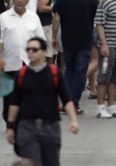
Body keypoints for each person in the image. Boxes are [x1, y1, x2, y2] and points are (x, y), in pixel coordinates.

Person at [6, 36, 79, 166]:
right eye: (28, 49)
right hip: (27, 127)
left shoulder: (54, 73)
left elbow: (66, 99)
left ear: (44, 52)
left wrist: (73, 120)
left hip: (50, 127)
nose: (30, 52)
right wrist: (10, 127)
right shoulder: (21, 74)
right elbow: (15, 102)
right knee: (32, 163)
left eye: (34, 49)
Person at [52, 0, 98, 114]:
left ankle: (66, 102)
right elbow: (96, 18)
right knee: (80, 71)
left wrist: (54, 37)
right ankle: (74, 103)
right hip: (85, 40)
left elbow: (57, 18)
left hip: (67, 38)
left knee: (69, 70)